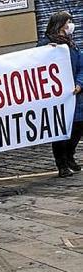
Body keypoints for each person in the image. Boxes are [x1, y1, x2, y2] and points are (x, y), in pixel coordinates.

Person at [38, 11, 83, 177]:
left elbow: (81, 67)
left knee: (78, 126)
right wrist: (46, 52)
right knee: (60, 129)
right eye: (68, 21)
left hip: (75, 94)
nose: (71, 24)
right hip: (56, 97)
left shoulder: (72, 44)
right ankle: (62, 164)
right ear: (59, 24)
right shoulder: (45, 44)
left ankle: (70, 155)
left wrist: (79, 84)